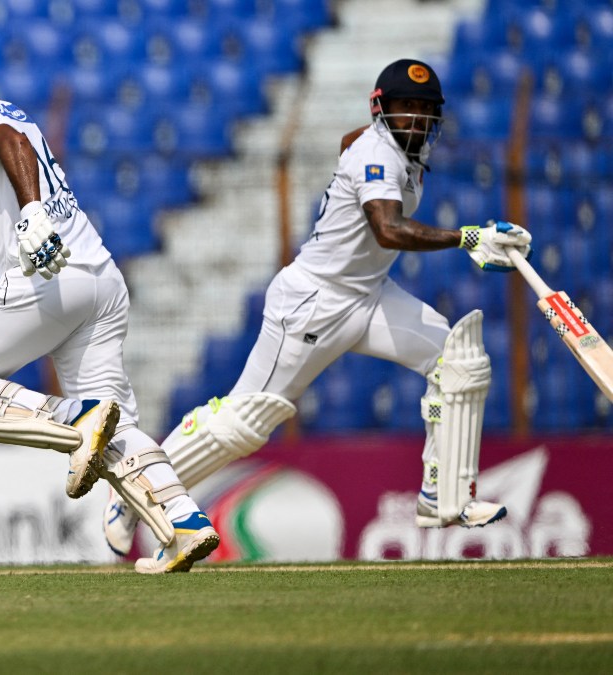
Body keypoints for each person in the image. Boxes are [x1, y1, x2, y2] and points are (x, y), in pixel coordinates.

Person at [103, 59, 534, 556]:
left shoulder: (390, 149)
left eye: (423, 109)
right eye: (405, 108)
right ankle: (134, 488)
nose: (415, 118)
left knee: (458, 360)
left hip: (368, 296)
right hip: (313, 302)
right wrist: (469, 237)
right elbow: (388, 229)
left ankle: (445, 497)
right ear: (382, 112)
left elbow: (349, 144)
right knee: (245, 424)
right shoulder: (379, 155)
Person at [0, 31, 217, 573]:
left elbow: (10, 145)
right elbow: (17, 203)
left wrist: (31, 218)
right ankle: (183, 520)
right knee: (118, 426)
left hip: (49, 285)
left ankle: (74, 417)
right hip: (96, 280)